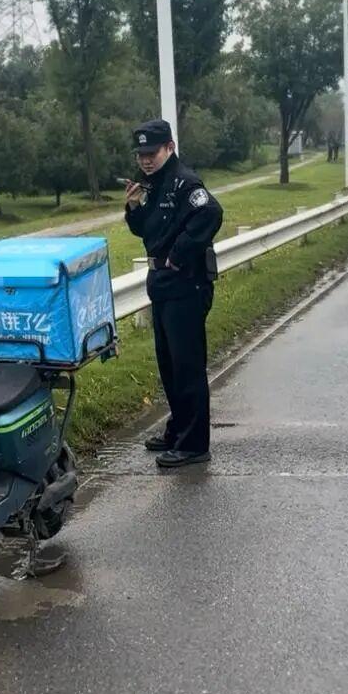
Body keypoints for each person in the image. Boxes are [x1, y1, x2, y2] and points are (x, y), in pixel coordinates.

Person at [124, 119, 223, 468]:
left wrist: (178, 256)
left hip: (186, 285)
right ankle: (178, 429)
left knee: (187, 366)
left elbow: (210, 212)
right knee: (169, 364)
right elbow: (146, 229)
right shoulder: (153, 184)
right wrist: (134, 206)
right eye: (141, 154)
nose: (146, 160)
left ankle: (194, 444)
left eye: (152, 153)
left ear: (169, 147)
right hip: (163, 284)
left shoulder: (185, 182)